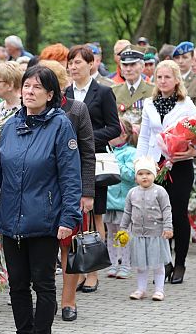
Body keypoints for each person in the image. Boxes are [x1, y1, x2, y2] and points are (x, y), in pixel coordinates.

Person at [0, 65, 82, 334]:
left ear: (50, 94)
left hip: (45, 220)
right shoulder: (10, 126)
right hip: (11, 220)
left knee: (43, 285)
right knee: (17, 285)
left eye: (37, 87)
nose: (29, 91)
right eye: (26, 86)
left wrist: (68, 217)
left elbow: (71, 178)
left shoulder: (60, 127)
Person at [39, 59, 95, 322]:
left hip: (70, 191)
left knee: (69, 248)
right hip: (41, 192)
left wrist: (87, 192)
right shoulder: (30, 111)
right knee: (44, 249)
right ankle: (46, 298)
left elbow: (87, 153)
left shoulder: (76, 109)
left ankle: (69, 301)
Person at [136, 60, 196, 284]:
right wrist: (140, 163)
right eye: (159, 77)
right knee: (157, 215)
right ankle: (164, 262)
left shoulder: (187, 105)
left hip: (179, 164)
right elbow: (144, 136)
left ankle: (180, 262)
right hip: (155, 164)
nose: (163, 81)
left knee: (177, 213)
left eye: (167, 77)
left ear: (176, 80)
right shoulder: (149, 103)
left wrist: (193, 151)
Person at [65, 45, 120, 292]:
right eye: (70, 62)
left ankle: (93, 272)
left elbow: (114, 128)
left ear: (91, 64)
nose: (73, 67)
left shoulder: (104, 92)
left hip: (93, 160)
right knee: (73, 216)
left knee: (95, 215)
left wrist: (85, 137)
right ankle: (76, 270)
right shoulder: (65, 93)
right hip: (68, 163)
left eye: (78, 62)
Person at [120, 156, 173, 301]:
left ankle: (159, 290)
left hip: (156, 234)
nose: (145, 177)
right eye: (141, 174)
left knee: (157, 263)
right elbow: (127, 212)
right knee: (141, 265)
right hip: (138, 235)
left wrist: (168, 227)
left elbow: (167, 210)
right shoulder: (132, 193)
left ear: (154, 175)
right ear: (136, 177)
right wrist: (122, 228)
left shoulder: (160, 191)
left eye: (148, 173)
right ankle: (141, 289)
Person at [105, 119, 137, 279]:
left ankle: (125, 264)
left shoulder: (131, 152)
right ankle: (112, 264)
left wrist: (115, 162)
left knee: (123, 234)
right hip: (108, 200)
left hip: (123, 201)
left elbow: (132, 175)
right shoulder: (107, 150)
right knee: (110, 234)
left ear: (124, 135)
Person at [111, 45, 154, 125]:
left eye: (133, 64)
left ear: (142, 66)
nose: (128, 69)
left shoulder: (153, 91)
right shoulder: (113, 91)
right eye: (125, 65)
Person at [173, 42, 196, 113]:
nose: (180, 61)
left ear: (192, 59)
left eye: (185, 57)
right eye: (177, 58)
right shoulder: (168, 79)